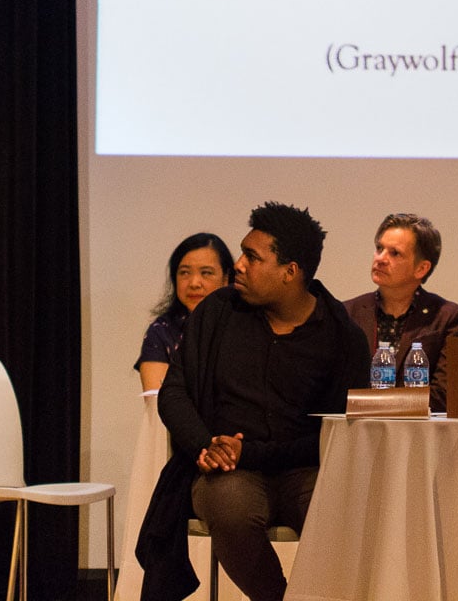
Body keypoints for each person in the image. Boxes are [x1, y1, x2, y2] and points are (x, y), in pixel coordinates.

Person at [137, 202, 368, 601]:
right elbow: (174, 392)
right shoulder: (217, 312)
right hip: (228, 469)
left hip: (303, 467)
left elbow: (340, 430)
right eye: (242, 253)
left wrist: (252, 452)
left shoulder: (341, 335)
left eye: (253, 257)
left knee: (342, 507)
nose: (238, 265)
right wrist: (205, 444)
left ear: (290, 272)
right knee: (230, 506)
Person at [343, 213, 458, 412]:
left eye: (395, 253)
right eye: (379, 248)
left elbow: (443, 395)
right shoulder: (348, 313)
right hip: (359, 433)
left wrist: (375, 405)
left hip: (421, 435)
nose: (381, 258)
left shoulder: (447, 318)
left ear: (421, 268)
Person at [137, 233, 235, 391]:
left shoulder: (245, 325)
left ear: (226, 278)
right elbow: (156, 401)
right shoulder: (162, 331)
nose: (194, 283)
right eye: (184, 273)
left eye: (206, 273)